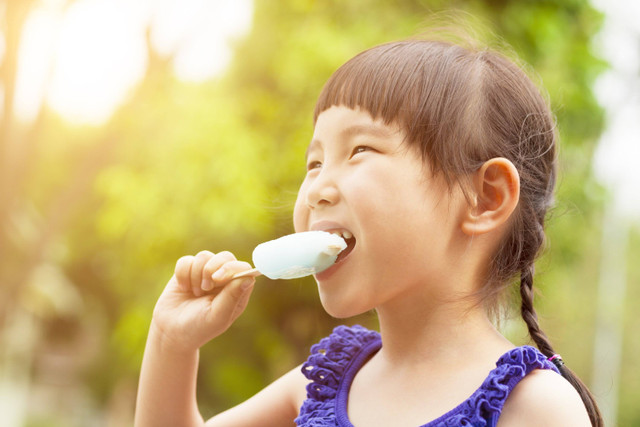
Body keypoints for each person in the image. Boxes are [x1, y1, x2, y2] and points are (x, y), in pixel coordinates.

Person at [134, 34, 603, 426]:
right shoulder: (327, 380)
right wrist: (171, 343)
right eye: (314, 162)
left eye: (359, 150)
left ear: (486, 198)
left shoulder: (537, 408)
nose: (315, 188)